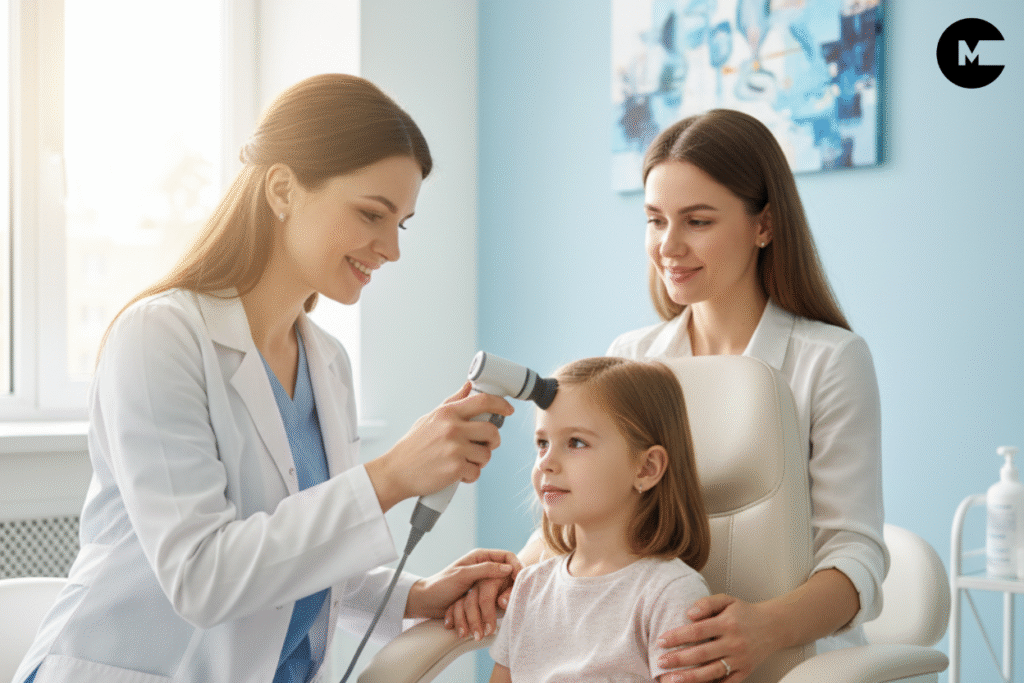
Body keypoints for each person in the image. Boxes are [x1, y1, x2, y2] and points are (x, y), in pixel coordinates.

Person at [13, 73, 522, 683]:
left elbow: (297, 562)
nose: (391, 248)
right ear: (282, 188)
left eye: (402, 224)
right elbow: (204, 578)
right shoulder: (159, 338)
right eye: (371, 214)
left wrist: (418, 595)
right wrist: (390, 476)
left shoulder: (327, 362)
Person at [449, 108, 888, 683]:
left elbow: (855, 556)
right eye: (656, 221)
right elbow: (591, 499)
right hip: (643, 645)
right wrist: (514, 574)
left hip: (787, 656)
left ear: (764, 225)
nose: (669, 246)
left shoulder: (829, 360)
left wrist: (765, 628)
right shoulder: (633, 355)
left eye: (697, 222)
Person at [488, 357, 712, 682]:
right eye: (542, 443)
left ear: (647, 468)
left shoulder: (670, 595)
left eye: (576, 442)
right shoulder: (529, 589)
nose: (546, 462)